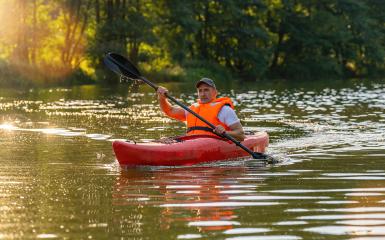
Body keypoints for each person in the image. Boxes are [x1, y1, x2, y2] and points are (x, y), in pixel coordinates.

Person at [156, 78, 245, 142]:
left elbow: (241, 135)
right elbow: (170, 111)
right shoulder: (192, 108)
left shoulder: (225, 110)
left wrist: (225, 132)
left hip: (214, 145)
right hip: (189, 143)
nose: (202, 94)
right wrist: (162, 98)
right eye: (200, 91)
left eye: (206, 90)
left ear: (215, 92)